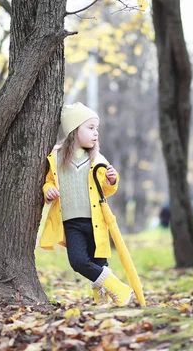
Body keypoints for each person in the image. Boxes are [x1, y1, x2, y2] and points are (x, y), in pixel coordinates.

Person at [38, 103, 133, 306]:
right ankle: (119, 288)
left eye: (96, 128)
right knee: (79, 261)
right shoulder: (56, 156)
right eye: (90, 128)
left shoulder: (97, 158)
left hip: (96, 220)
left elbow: (105, 189)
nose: (96, 133)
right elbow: (49, 181)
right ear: (74, 130)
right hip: (71, 223)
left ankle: (103, 302)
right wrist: (48, 190)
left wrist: (112, 180)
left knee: (99, 262)